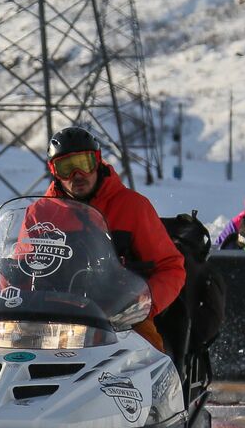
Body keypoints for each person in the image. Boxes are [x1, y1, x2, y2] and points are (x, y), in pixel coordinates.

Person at [43, 126, 185, 351]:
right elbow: (22, 267)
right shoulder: (40, 213)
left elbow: (171, 267)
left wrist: (143, 304)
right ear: (54, 171)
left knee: (148, 353)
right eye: (66, 167)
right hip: (53, 316)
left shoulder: (132, 206)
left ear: (97, 162)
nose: (77, 175)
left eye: (84, 163)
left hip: (120, 316)